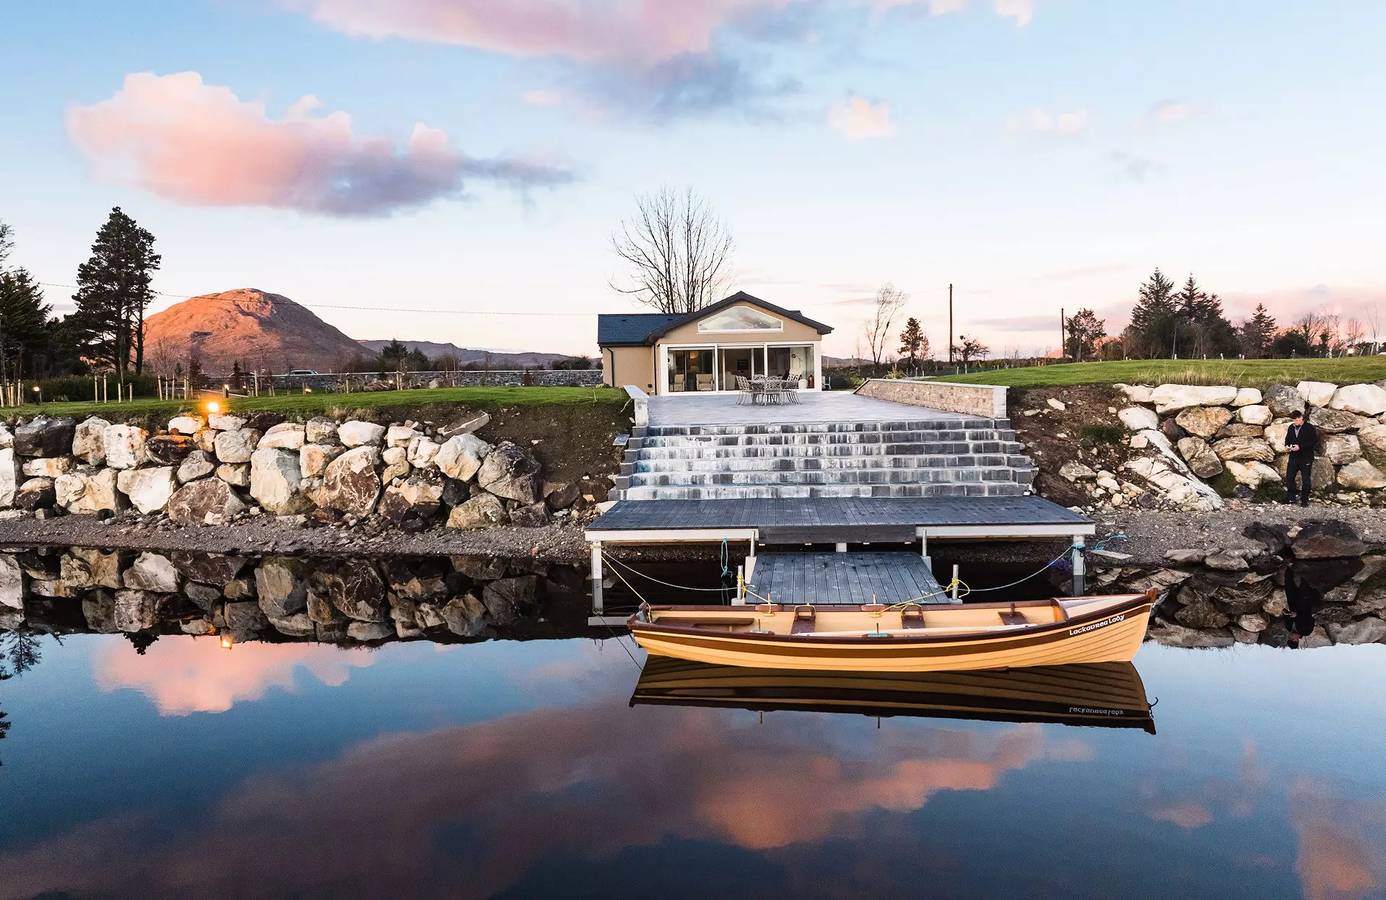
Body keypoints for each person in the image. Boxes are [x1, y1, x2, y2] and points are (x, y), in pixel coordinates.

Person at [1284, 409, 1318, 506]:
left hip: (1306, 457)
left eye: (1296, 419)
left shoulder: (1309, 427)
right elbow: (1287, 439)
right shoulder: (1291, 427)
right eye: (1293, 420)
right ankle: (1291, 498)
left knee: (1306, 479)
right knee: (1289, 478)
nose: (1294, 422)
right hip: (1293, 457)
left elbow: (1314, 441)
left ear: (1301, 418)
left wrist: (1300, 446)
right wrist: (1287, 446)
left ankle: (1304, 501)